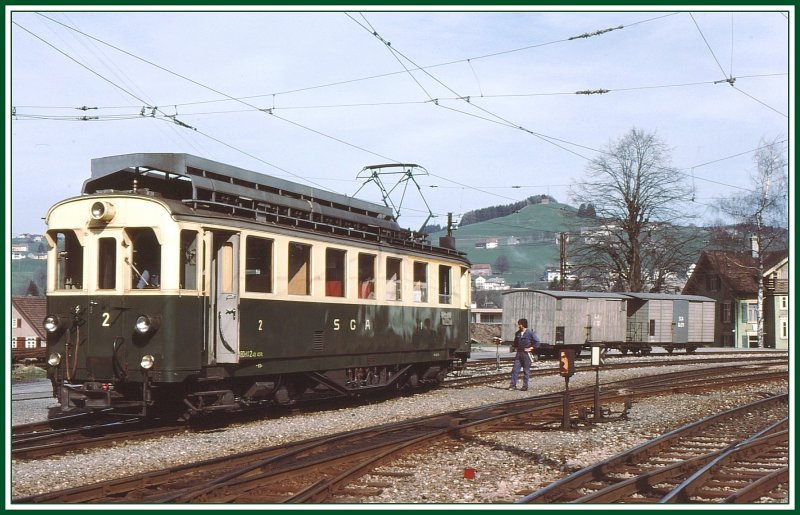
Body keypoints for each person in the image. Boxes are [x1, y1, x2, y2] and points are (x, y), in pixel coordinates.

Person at [508, 318, 540, 391]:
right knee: (515, 370)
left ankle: (525, 386)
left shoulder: (530, 333)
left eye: (520, 324)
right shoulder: (517, 333)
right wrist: (515, 348)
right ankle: (513, 385)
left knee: (526, 370)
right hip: (519, 354)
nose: (519, 326)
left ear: (523, 325)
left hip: (526, 354)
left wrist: (531, 348)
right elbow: (515, 342)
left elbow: (537, 342)